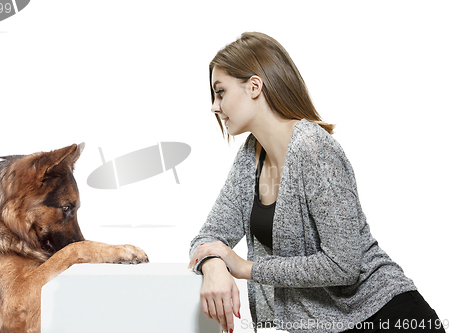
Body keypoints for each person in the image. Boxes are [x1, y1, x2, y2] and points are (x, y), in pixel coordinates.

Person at [188, 32, 446, 333]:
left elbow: (342, 265)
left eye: (220, 92)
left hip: (385, 316)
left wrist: (246, 268)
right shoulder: (250, 158)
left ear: (254, 86)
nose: (214, 106)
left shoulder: (314, 149)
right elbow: (207, 237)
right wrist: (215, 265)